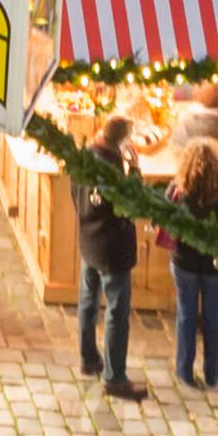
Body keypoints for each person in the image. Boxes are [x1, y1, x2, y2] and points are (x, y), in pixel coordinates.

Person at [72, 117, 149, 397]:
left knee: (88, 302)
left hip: (88, 242)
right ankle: (115, 376)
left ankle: (88, 358)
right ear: (123, 142)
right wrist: (136, 170)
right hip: (112, 249)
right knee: (117, 311)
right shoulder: (114, 170)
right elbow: (131, 204)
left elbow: (75, 195)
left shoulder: (84, 159)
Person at [166, 140, 218, 392]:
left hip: (184, 263)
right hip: (216, 265)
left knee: (186, 315)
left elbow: (167, 222)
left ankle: (184, 370)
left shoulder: (178, 192)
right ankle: (212, 374)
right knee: (213, 318)